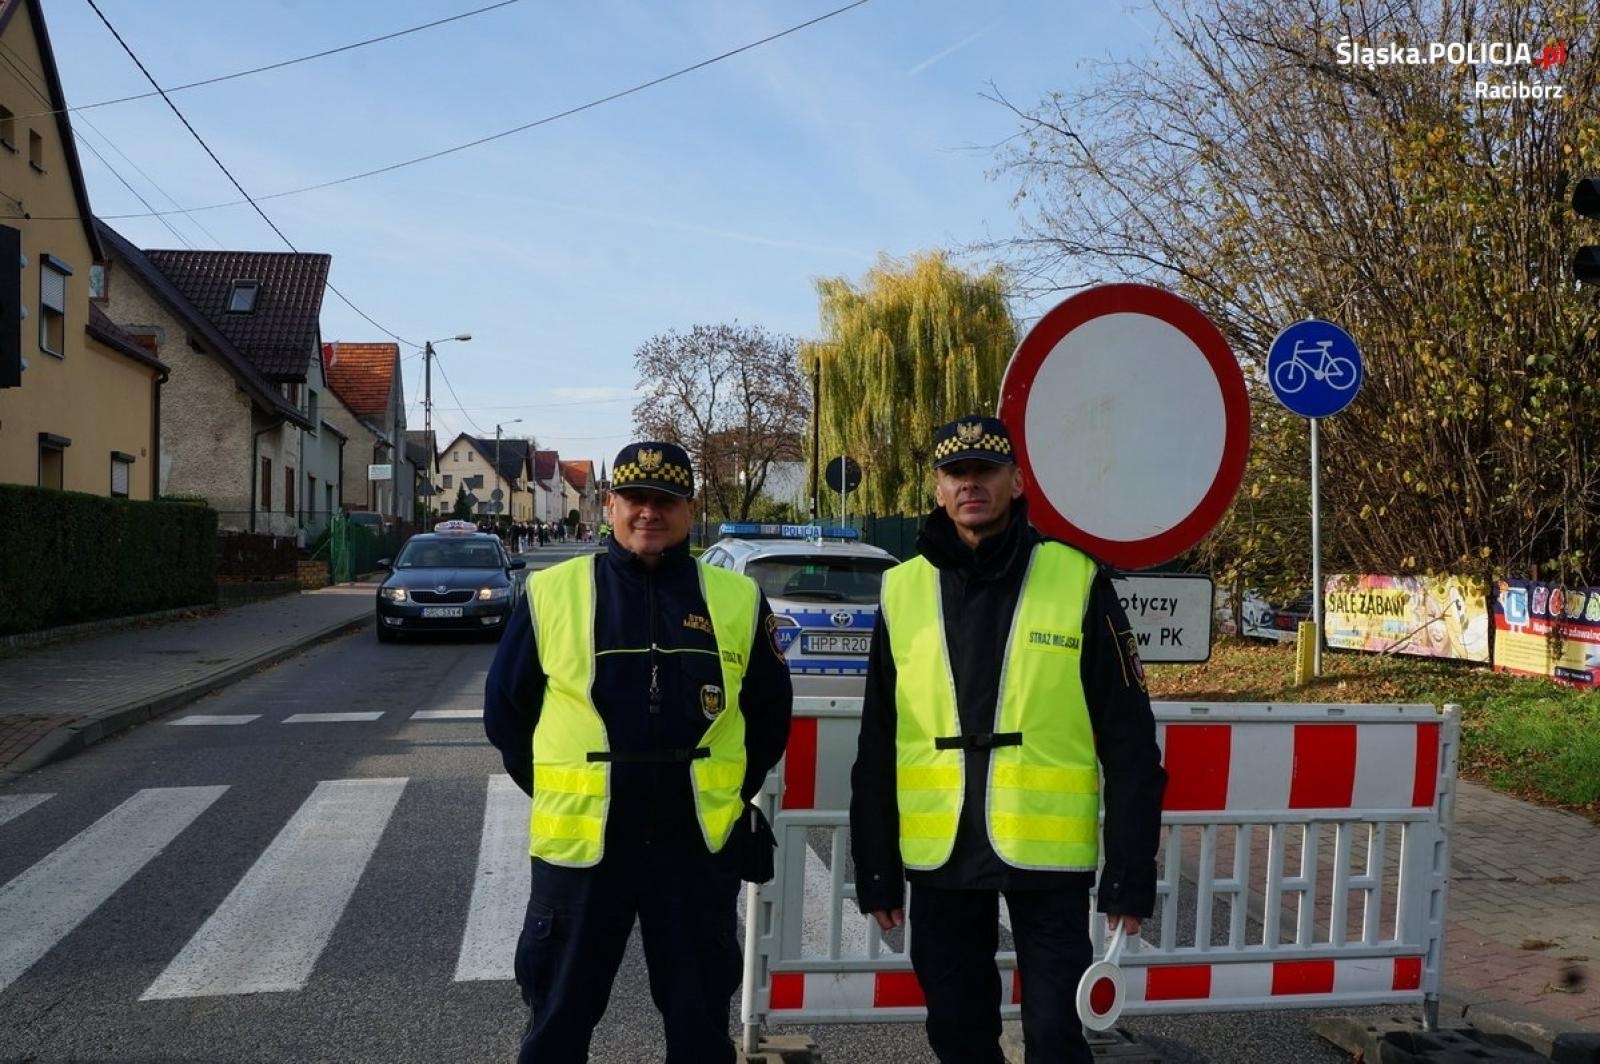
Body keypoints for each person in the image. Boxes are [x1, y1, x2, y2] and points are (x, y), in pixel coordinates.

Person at [849, 414, 1166, 1064]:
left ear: (1016, 482)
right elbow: (878, 740)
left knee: (1056, 1037)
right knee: (958, 1035)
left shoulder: (1077, 579)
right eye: (956, 473)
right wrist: (876, 868)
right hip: (941, 858)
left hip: (1046, 860)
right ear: (937, 487)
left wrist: (1130, 873)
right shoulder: (901, 588)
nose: (971, 485)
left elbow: (1129, 737)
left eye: (985, 471)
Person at [485, 440, 793, 1064]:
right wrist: (562, 785)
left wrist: (725, 793)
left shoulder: (735, 598)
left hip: (693, 847)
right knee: (557, 1023)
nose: (649, 512)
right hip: (584, 847)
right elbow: (506, 715)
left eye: (665, 500)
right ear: (609, 504)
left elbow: (767, 715)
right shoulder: (552, 593)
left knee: (700, 1024)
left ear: (689, 509)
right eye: (635, 498)